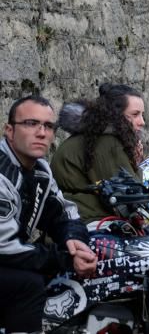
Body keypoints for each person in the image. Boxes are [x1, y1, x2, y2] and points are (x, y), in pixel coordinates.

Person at [1, 95, 96, 333]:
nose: (42, 133)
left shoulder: (41, 168)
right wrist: (65, 258)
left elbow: (63, 211)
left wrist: (75, 240)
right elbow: (6, 247)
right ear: (9, 131)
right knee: (28, 285)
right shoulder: (3, 175)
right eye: (31, 124)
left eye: (48, 126)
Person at [51, 84, 145, 221]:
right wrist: (137, 163)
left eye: (142, 115)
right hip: (83, 223)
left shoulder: (95, 136)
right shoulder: (107, 143)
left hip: (74, 218)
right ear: (116, 115)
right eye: (135, 114)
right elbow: (131, 197)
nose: (142, 122)